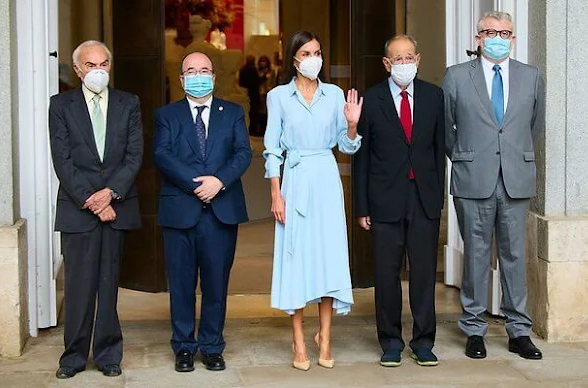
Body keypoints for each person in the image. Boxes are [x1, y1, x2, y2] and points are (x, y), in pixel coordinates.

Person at [441, 11, 545, 360]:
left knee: (515, 256)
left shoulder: (531, 77)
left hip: (515, 178)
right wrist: (468, 157)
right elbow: (446, 129)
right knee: (476, 254)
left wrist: (512, 155)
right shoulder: (456, 77)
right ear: (478, 38)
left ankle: (519, 330)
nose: (498, 37)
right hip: (473, 178)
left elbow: (533, 126)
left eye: (505, 32)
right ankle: (473, 328)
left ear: (513, 37)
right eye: (490, 32)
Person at [263, 30, 363, 371]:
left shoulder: (335, 95)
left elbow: (347, 146)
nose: (313, 59)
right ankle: (299, 340)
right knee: (297, 260)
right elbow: (272, 148)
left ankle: (326, 335)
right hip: (295, 177)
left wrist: (351, 126)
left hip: (325, 177)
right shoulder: (278, 96)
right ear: (294, 59)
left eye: (317, 52)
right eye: (306, 53)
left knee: (327, 256)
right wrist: (276, 192)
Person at [49, 40, 143, 379]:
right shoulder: (61, 105)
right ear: (77, 70)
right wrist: (92, 199)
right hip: (79, 209)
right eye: (90, 65)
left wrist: (111, 194)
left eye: (103, 64)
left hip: (116, 207)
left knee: (108, 284)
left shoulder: (128, 103)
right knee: (78, 287)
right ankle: (72, 357)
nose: (98, 71)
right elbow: (62, 158)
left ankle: (108, 354)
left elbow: (134, 156)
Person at [153, 51, 252, 373]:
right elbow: (162, 154)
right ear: (181, 79)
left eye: (204, 70)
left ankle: (211, 346)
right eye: (191, 71)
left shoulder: (233, 112)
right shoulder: (167, 115)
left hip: (220, 211)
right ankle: (183, 347)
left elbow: (242, 153)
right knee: (181, 284)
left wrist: (219, 181)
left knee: (215, 284)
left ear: (214, 76)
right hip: (180, 209)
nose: (198, 76)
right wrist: (196, 184)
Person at [353, 33, 445, 368]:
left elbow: (438, 151)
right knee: (386, 274)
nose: (404, 64)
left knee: (423, 273)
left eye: (409, 58)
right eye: (397, 58)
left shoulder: (435, 97)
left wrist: (438, 200)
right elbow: (361, 158)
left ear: (418, 60)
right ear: (386, 64)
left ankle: (423, 341)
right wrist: (361, 207)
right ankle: (390, 341)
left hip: (423, 197)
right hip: (384, 199)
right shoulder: (372, 99)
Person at [238, 54, 261, 136]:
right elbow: (257, 82)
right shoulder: (253, 70)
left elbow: (241, 82)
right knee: (254, 113)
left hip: (246, 92)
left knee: (249, 113)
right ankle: (253, 130)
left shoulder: (242, 70)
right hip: (253, 93)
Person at [257, 55, 276, 136]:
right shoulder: (258, 71)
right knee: (260, 112)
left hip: (269, 93)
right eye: (262, 61)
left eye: (264, 61)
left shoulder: (271, 72)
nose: (263, 63)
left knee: (268, 112)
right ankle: (260, 130)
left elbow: (273, 81)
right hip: (260, 93)